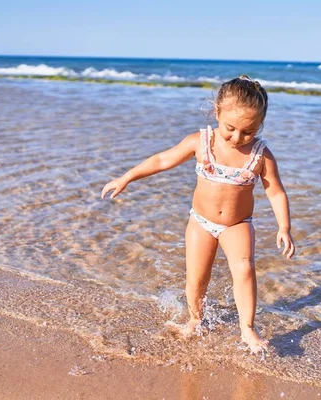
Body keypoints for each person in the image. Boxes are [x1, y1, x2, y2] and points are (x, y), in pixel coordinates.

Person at [101, 75, 295, 353]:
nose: (237, 137)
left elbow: (275, 192)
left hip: (237, 224)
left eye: (248, 132)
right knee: (197, 277)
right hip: (201, 223)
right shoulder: (201, 142)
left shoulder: (261, 156)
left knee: (245, 270)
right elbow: (162, 160)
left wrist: (284, 227)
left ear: (259, 125)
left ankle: (247, 329)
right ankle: (195, 319)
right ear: (217, 112)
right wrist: (127, 177)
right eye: (230, 128)